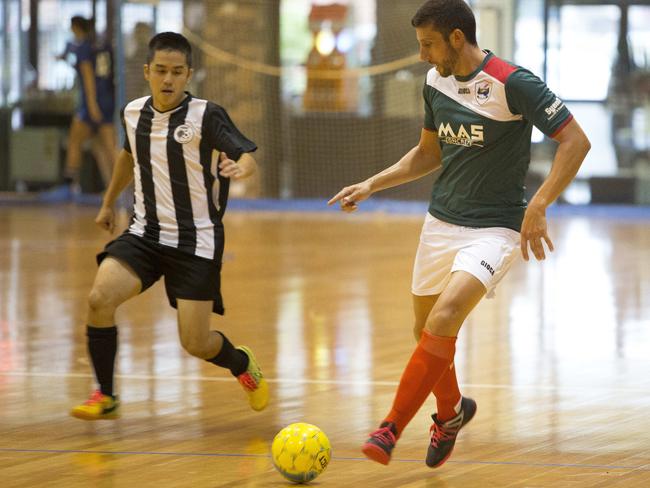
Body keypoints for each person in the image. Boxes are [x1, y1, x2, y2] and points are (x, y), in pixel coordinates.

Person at [328, 0, 590, 468]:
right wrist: (371, 183)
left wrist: (540, 203)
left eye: (428, 44)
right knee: (424, 330)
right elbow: (428, 154)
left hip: (495, 229)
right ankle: (450, 414)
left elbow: (576, 140)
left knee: (445, 318)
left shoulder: (514, 82)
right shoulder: (435, 82)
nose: (422, 55)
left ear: (455, 37)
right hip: (441, 222)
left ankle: (390, 427)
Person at [70, 32, 268, 420]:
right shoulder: (132, 113)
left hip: (196, 243)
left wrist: (239, 167)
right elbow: (129, 158)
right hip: (144, 234)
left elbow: (245, 155)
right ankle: (106, 395)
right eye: (160, 71)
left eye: (177, 72)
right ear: (147, 71)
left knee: (196, 343)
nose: (168, 80)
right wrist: (108, 203)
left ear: (188, 75)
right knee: (99, 299)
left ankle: (242, 364)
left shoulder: (206, 115)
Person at [56, 16, 116, 198]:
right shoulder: (103, 44)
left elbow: (88, 77)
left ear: (75, 27)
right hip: (107, 99)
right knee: (103, 146)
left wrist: (91, 105)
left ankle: (69, 187)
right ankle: (115, 188)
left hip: (92, 103)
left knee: (75, 141)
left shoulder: (83, 47)